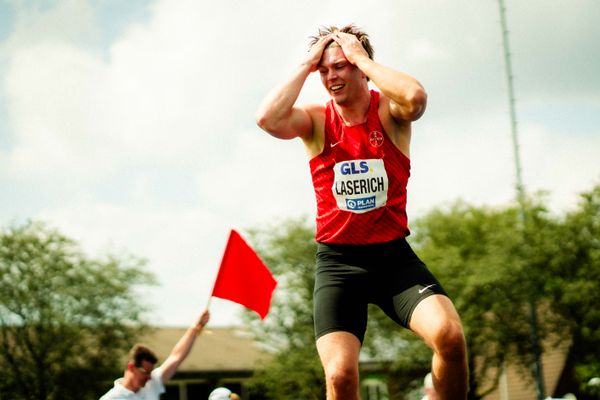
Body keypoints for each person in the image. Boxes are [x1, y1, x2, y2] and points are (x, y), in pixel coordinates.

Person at [256, 24, 468, 399]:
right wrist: (307, 64)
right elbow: (268, 119)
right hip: (339, 264)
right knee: (340, 376)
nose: (330, 76)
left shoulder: (389, 112)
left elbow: (416, 97)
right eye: (324, 71)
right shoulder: (317, 119)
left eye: (340, 66)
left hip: (393, 261)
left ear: (360, 66)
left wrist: (360, 57)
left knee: (450, 338)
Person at [99, 309, 210, 399]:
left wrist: (197, 326)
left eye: (150, 373)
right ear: (131, 367)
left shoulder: (152, 383)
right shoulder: (111, 398)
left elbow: (176, 356)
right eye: (145, 372)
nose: (148, 378)